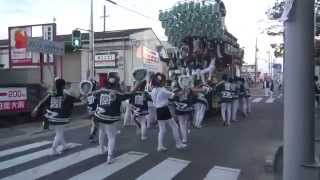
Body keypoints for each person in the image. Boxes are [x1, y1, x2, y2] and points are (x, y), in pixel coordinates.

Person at [93, 73, 137, 164]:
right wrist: (137, 85)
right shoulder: (118, 92)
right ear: (117, 81)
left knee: (102, 132)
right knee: (111, 136)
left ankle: (101, 149)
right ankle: (110, 157)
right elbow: (129, 94)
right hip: (111, 117)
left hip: (99, 115)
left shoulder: (101, 89)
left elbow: (94, 96)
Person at [32, 78, 78, 155]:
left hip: (52, 116)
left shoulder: (51, 94)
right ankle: (53, 149)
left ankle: (64, 146)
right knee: (59, 133)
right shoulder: (66, 94)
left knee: (59, 132)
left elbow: (43, 102)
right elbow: (74, 99)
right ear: (63, 86)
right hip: (62, 117)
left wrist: (36, 109)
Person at [150, 73, 187, 151]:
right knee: (175, 126)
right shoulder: (163, 90)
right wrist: (183, 91)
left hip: (158, 110)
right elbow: (174, 96)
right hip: (164, 110)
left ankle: (160, 146)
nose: (165, 82)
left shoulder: (153, 90)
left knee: (162, 129)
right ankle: (178, 144)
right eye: (164, 80)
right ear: (161, 81)